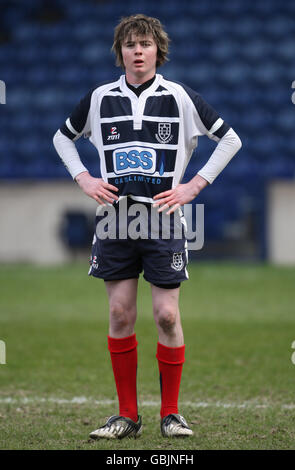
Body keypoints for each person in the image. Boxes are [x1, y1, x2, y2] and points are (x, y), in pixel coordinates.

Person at [53, 14, 242, 439]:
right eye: (130, 45)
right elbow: (62, 137)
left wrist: (194, 185)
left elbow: (230, 139)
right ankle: (126, 416)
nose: (138, 51)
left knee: (167, 316)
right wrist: (83, 177)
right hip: (116, 218)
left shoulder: (179, 97)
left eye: (146, 44)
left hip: (162, 219)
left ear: (159, 51)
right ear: (119, 52)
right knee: (119, 314)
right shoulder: (100, 98)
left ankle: (171, 414)